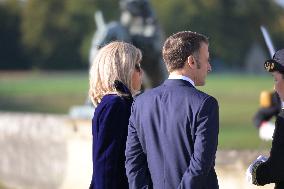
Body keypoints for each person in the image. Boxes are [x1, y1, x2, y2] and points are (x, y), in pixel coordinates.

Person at [125, 31, 219, 189]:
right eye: (206, 60)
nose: (209, 67)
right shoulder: (205, 104)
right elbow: (200, 165)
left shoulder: (140, 103)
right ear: (191, 61)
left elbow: (133, 163)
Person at [89, 41, 143, 189]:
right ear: (122, 69)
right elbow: (107, 163)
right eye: (136, 66)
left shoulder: (117, 102)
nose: (141, 72)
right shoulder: (116, 104)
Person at [246, 49, 284, 188]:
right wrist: (267, 129)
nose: (275, 86)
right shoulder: (276, 98)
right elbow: (259, 118)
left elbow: (278, 169)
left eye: (276, 78)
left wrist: (255, 172)